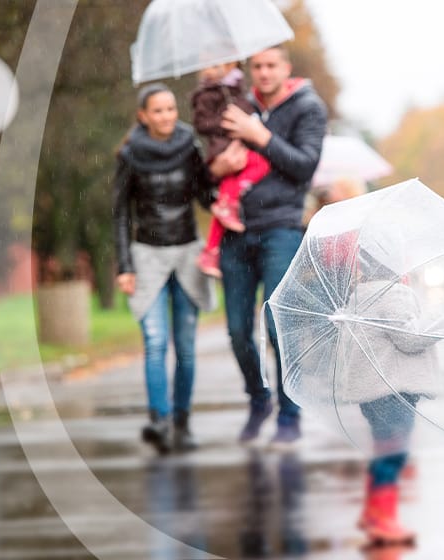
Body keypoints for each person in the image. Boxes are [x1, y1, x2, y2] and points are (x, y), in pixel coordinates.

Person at [210, 44, 327, 446]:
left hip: (281, 227)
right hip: (234, 231)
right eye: (256, 65)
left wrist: (261, 136)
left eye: (271, 65)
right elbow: (208, 171)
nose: (263, 72)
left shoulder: (307, 107)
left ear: (286, 69)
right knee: (237, 329)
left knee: (278, 326)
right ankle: (258, 399)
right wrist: (216, 170)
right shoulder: (233, 104)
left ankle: (289, 415)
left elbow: (304, 166)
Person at [113, 83, 216, 454]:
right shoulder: (130, 153)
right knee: (155, 342)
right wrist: (124, 266)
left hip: (187, 253)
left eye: (171, 109)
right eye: (158, 111)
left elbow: (206, 195)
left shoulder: (190, 145)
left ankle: (183, 422)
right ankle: (160, 420)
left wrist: (223, 182)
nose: (167, 117)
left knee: (186, 347)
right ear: (143, 116)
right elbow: (121, 213)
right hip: (147, 256)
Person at [336, 249, 440, 546]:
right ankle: (383, 519)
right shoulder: (395, 295)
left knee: (383, 447)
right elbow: (409, 340)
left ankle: (372, 512)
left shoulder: (358, 295)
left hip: (371, 392)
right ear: (397, 267)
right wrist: (437, 327)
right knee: (394, 452)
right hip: (394, 388)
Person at [190, 61, 271, 278]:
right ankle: (211, 249)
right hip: (222, 147)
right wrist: (229, 122)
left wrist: (248, 118)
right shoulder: (206, 93)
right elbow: (202, 124)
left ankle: (230, 201)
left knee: (260, 164)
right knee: (252, 169)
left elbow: (244, 107)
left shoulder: (237, 85)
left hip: (238, 144)